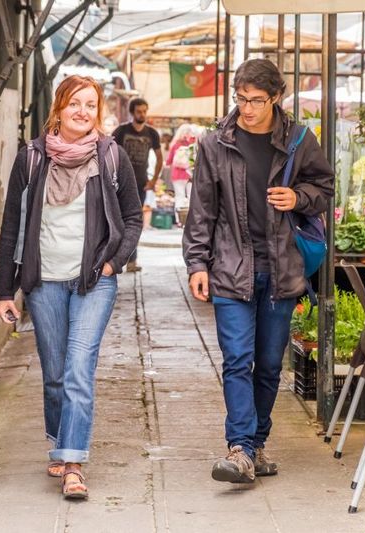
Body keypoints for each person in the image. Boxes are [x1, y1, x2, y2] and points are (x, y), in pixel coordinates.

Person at [182, 59, 334, 484]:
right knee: (237, 360)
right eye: (241, 99)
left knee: (268, 365)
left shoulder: (300, 139)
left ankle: (257, 444)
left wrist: (298, 196)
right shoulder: (216, 143)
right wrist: (197, 263)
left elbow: (324, 188)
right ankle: (240, 449)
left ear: (276, 98)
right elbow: (202, 211)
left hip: (282, 268)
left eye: (256, 101)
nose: (247, 109)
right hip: (230, 267)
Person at [0, 75, 142, 499]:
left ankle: (74, 461)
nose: (83, 112)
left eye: (90, 105)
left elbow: (133, 217)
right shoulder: (32, 159)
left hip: (93, 281)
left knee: (79, 369)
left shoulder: (111, 156)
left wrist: (115, 262)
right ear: (58, 108)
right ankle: (59, 439)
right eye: (74, 104)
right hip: (43, 283)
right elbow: (11, 228)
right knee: (55, 374)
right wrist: (6, 291)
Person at [112, 97, 162, 271]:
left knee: (133, 222)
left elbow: (159, 158)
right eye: (139, 111)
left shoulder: (152, 133)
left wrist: (153, 180)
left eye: (144, 111)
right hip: (118, 183)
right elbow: (109, 153)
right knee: (115, 220)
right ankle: (114, 259)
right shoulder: (121, 131)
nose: (142, 114)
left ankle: (132, 261)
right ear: (132, 112)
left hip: (140, 184)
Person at [166, 123, 198, 212]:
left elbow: (168, 161)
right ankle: (188, 219)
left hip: (176, 175)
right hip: (189, 175)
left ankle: (179, 220)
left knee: (179, 196)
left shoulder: (175, 144)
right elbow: (194, 161)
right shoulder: (192, 144)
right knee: (190, 196)